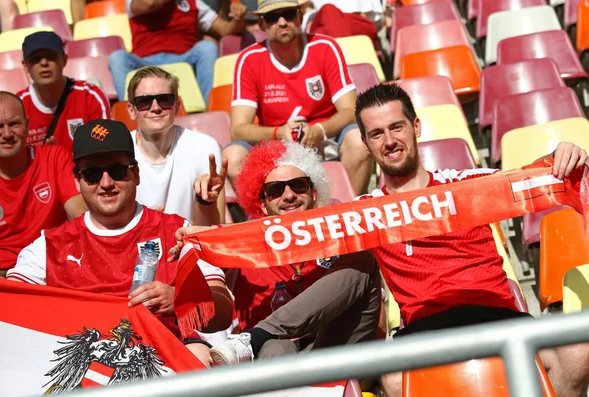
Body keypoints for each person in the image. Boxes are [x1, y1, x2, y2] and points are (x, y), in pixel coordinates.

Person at [354, 83, 589, 397]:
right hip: (428, 331)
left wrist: (561, 155)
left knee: (579, 351)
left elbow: (530, 177)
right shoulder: (363, 213)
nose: (390, 141)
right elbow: (305, 233)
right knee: (396, 380)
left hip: (498, 317)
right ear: (366, 143)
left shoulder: (468, 185)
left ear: (416, 127)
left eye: (396, 127)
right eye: (377, 133)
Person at [6, 119, 234, 367]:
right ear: (77, 181)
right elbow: (8, 313)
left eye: (117, 171)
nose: (106, 183)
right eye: (92, 174)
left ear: (135, 174)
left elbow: (223, 311)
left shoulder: (177, 231)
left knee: (199, 354)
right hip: (80, 371)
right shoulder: (49, 247)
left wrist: (180, 299)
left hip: (160, 365)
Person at [173, 140, 382, 364]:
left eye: (298, 185)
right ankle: (260, 340)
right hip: (273, 359)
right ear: (262, 204)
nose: (289, 195)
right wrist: (206, 203)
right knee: (275, 347)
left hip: (335, 348)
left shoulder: (339, 237)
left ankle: (254, 337)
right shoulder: (244, 246)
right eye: (275, 190)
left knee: (362, 258)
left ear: (313, 193)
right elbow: (210, 245)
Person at [226, 0, 372, 195]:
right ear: (261, 24)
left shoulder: (325, 47)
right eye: (272, 17)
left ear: (301, 16)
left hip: (328, 138)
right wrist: (278, 133)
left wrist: (320, 130)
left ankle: (348, 214)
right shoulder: (249, 59)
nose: (282, 22)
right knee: (233, 155)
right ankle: (268, 222)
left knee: (358, 140)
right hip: (276, 144)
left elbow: (351, 110)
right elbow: (238, 129)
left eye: (288, 14)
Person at [0, 92, 86, 276]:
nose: (7, 133)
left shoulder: (54, 159)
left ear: (27, 125)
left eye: (14, 124)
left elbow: (82, 219)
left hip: (50, 270)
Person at [126, 66, 225, 225]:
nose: (155, 108)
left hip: (188, 243)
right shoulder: (120, 153)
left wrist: (205, 200)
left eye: (164, 100)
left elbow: (213, 226)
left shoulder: (203, 147)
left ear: (177, 106)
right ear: (131, 109)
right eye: (144, 101)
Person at [109, 0, 248, 103]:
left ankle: (208, 108)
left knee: (207, 47)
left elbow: (225, 29)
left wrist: (238, 18)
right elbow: (149, 3)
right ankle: (130, 113)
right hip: (144, 63)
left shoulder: (194, 3)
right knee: (117, 57)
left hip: (183, 59)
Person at [18, 31, 111, 153]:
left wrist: (60, 158)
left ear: (64, 60)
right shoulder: (17, 106)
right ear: (25, 66)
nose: (44, 63)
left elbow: (104, 147)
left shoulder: (90, 97)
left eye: (51, 57)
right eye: (35, 59)